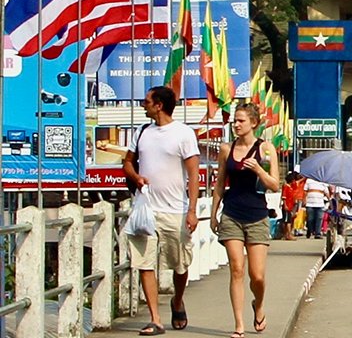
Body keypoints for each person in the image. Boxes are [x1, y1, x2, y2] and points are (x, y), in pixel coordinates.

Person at [122, 86, 200, 335]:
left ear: (159, 105)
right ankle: (155, 319)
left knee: (180, 265)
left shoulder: (183, 134)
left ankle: (177, 301)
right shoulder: (142, 131)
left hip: (175, 210)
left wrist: (192, 210)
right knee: (145, 263)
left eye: (147, 101)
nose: (143, 105)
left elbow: (193, 174)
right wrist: (136, 177)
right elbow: (127, 162)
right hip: (146, 209)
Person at [210, 103, 280, 337]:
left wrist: (259, 169)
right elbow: (220, 183)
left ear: (253, 123)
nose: (236, 125)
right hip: (232, 213)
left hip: (257, 214)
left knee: (257, 276)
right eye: (235, 121)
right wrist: (213, 214)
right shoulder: (226, 149)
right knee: (237, 268)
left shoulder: (267, 148)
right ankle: (239, 325)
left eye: (241, 121)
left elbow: (274, 185)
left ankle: (258, 305)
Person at [280, 172, 305, 241]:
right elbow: (284, 197)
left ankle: (287, 234)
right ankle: (288, 234)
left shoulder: (291, 187)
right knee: (288, 221)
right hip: (287, 206)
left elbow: (299, 181)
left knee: (289, 220)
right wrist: (285, 205)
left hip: (291, 206)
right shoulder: (286, 187)